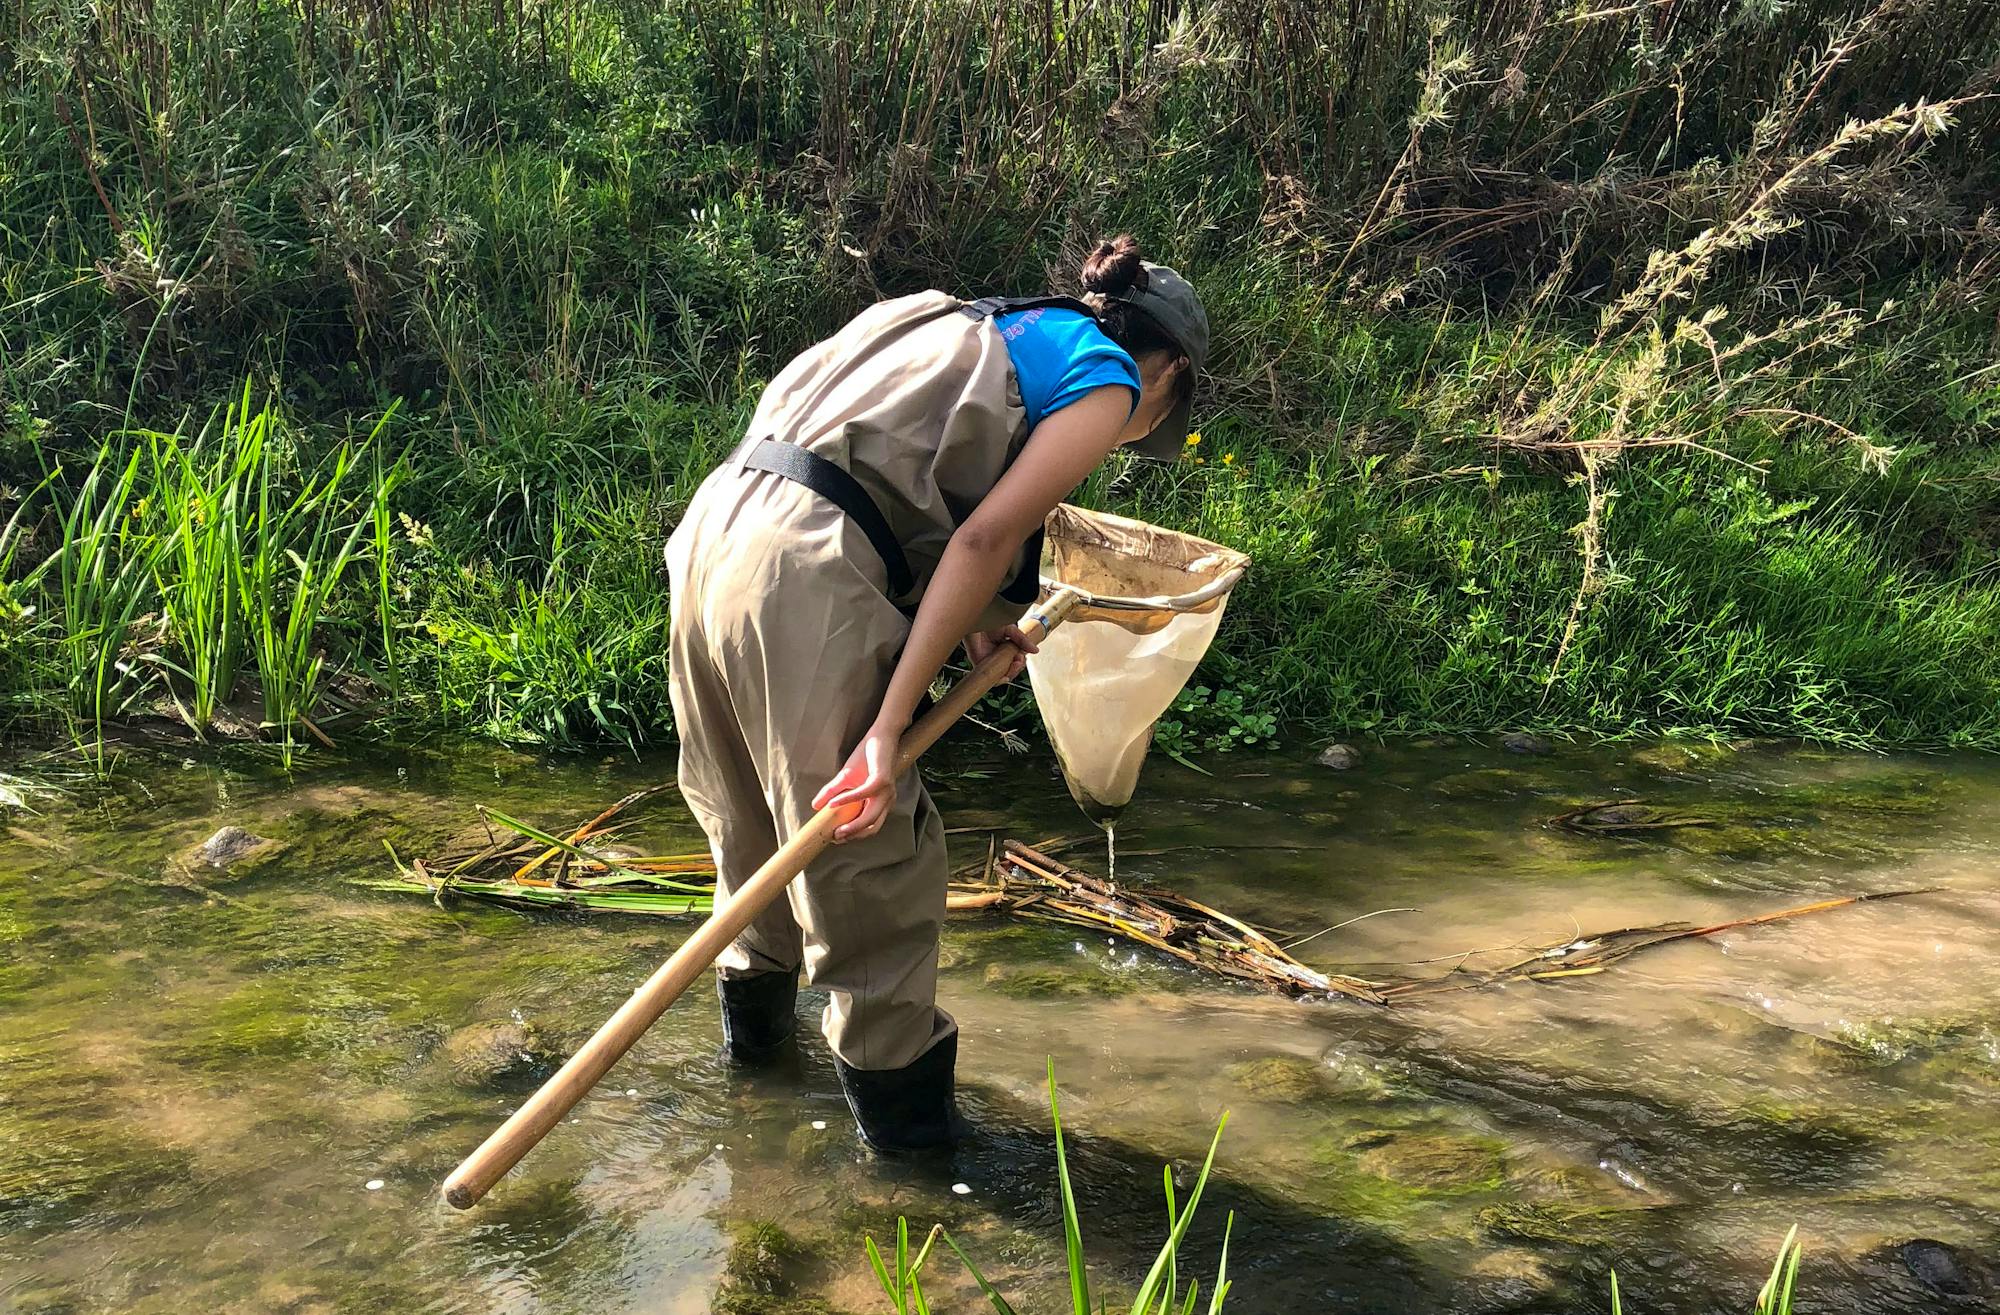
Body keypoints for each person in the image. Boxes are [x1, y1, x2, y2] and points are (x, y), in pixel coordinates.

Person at [664, 234, 1208, 1150]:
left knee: (754, 841)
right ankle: (916, 1173)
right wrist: (883, 731)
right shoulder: (1107, 372)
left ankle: (754, 1123)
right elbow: (982, 541)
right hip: (805, 575)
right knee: (870, 866)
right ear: (1170, 374)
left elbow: (884, 492)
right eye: (1149, 422)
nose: (1129, 433)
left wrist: (966, 640)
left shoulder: (945, 317)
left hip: (711, 543)